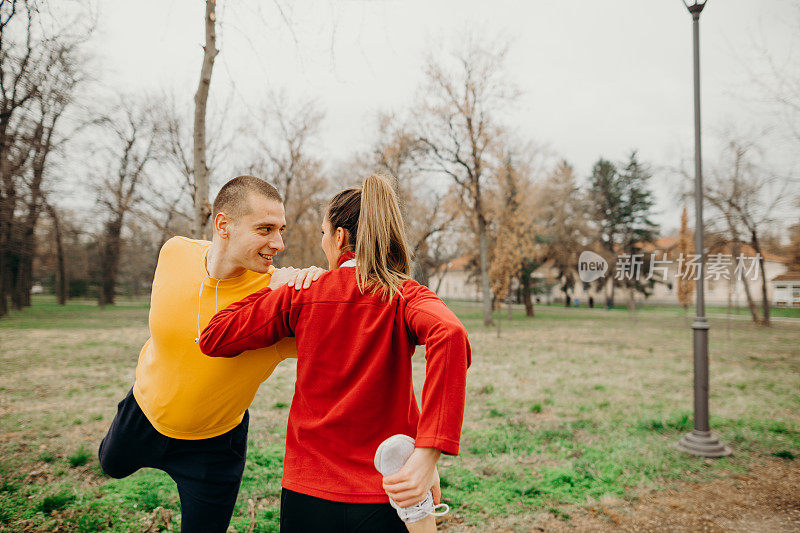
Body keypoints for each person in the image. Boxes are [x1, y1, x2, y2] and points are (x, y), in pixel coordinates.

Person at [199, 174, 471, 533]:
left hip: (307, 492)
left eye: (324, 235)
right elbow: (450, 333)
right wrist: (427, 454)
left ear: (340, 237)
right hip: (387, 494)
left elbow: (215, 336)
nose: (323, 244)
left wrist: (273, 287)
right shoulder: (404, 294)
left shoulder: (301, 294)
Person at [98, 175, 324, 533]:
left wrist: (321, 285)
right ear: (223, 225)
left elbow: (345, 325)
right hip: (142, 414)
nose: (278, 243)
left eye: (281, 230)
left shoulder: (281, 300)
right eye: (265, 229)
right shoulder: (174, 251)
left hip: (213, 447)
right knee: (110, 464)